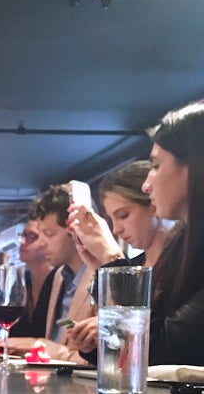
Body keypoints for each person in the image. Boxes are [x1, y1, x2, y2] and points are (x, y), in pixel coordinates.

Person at [67, 100, 204, 366]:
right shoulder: (182, 246)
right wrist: (97, 344)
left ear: (194, 168)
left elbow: (163, 352)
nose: (146, 184)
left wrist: (113, 260)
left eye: (155, 166)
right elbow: (147, 341)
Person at [7, 184, 96, 363]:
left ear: (75, 231)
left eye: (49, 234)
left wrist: (38, 345)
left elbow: (111, 361)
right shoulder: (58, 277)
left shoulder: (104, 276)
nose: (42, 243)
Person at [13, 217, 55, 338]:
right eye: (23, 236)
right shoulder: (20, 284)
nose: (22, 242)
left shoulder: (61, 284)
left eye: (31, 237)